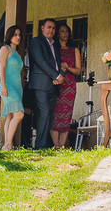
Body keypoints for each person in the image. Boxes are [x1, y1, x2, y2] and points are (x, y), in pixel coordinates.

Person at [27, 18, 64, 150]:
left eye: (53, 28)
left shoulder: (55, 44)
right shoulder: (35, 42)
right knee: (44, 113)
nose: (51, 30)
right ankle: (40, 146)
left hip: (53, 85)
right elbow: (41, 62)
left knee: (49, 115)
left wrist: (59, 76)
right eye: (49, 27)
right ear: (42, 28)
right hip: (40, 85)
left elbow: (57, 63)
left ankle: (45, 144)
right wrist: (56, 75)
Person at [51, 22, 83, 148]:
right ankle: (56, 145)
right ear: (58, 34)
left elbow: (78, 71)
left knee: (66, 116)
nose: (65, 34)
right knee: (54, 115)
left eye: (67, 31)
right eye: (62, 31)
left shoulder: (74, 50)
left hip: (69, 87)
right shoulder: (54, 49)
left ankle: (62, 146)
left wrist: (68, 67)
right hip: (56, 86)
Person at [0, 25, 26, 150]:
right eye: (15, 35)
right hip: (8, 86)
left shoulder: (17, 53)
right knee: (19, 114)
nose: (18, 37)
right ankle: (8, 144)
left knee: (10, 116)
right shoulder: (5, 49)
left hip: (17, 87)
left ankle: (7, 145)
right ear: (9, 36)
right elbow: (2, 68)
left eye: (19, 35)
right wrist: (3, 86)